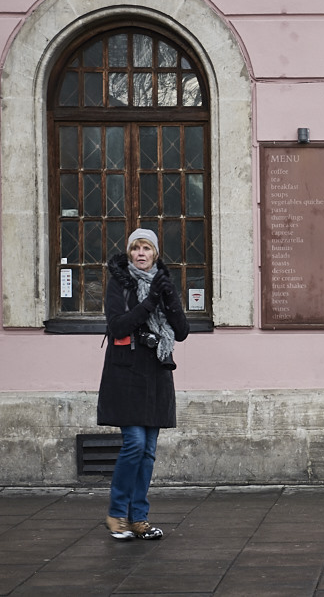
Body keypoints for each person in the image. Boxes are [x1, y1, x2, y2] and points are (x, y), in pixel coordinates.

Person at [97, 228, 189, 540]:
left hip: (156, 372)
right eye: (135, 248)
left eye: (146, 248)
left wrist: (168, 296)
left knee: (148, 450)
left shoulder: (163, 283)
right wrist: (149, 301)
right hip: (126, 373)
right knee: (135, 444)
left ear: (155, 254)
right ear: (129, 253)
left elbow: (181, 331)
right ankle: (116, 513)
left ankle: (138, 518)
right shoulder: (119, 283)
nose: (140, 253)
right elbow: (117, 325)